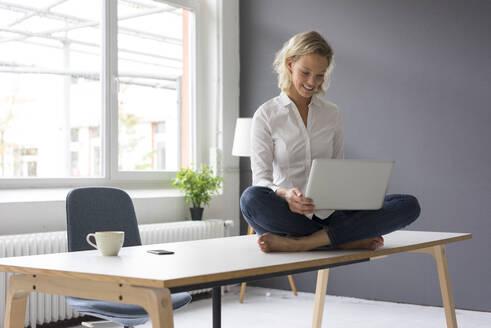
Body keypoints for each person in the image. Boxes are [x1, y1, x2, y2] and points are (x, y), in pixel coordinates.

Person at [240, 31, 421, 253]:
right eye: (305, 72)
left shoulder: (332, 113)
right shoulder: (266, 115)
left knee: (408, 205)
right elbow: (261, 180)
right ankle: (343, 238)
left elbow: (338, 169)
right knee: (251, 200)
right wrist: (286, 194)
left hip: (331, 212)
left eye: (320, 75)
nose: (311, 82)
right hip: (289, 214)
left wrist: (353, 194)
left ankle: (307, 243)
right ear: (289, 64)